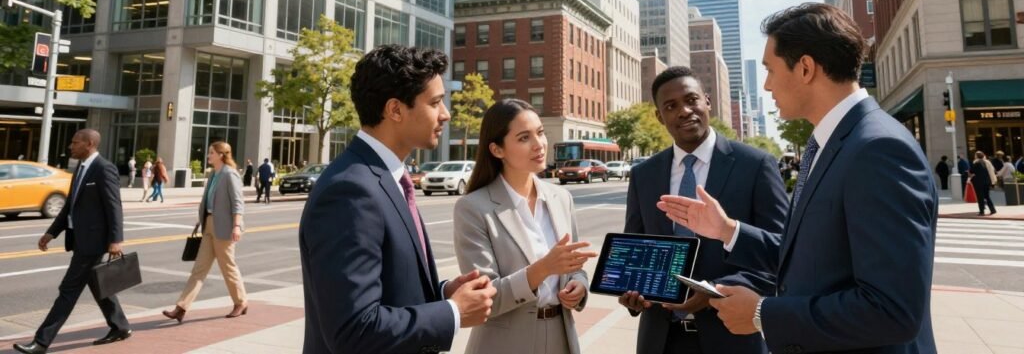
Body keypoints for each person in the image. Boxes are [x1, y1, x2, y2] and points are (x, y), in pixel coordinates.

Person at [659, 3, 937, 354]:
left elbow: (893, 310)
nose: (767, 84)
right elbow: (811, 256)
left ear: (805, 68)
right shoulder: (829, 143)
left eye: (770, 70)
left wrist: (762, 314)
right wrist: (728, 230)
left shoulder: (877, 149)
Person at [299, 45, 497, 354]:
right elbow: (354, 329)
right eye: (435, 102)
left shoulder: (385, 178)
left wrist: (444, 293)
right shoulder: (351, 191)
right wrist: (454, 312)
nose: (446, 114)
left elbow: (390, 289)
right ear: (395, 110)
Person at [621, 67, 789, 354]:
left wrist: (714, 290)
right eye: (671, 106)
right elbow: (636, 248)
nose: (684, 111)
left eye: (691, 99)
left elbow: (782, 253)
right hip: (661, 339)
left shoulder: (756, 165)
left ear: (707, 101)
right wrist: (632, 291)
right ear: (660, 117)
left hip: (732, 338)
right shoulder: (644, 174)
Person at [454, 99, 597, 354]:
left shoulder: (561, 198)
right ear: (497, 150)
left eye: (540, 133)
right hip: (504, 344)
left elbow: (574, 268)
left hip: (561, 337)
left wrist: (579, 286)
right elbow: (486, 297)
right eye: (523, 138)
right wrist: (542, 269)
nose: (539, 144)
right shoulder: (473, 208)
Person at [13, 129, 131, 354]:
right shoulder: (81, 167)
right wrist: (52, 232)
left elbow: (114, 207)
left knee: (68, 290)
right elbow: (70, 205)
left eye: (74, 142)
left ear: (89, 144)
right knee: (98, 286)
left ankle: (41, 342)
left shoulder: (104, 168)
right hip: (80, 239)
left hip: (93, 242)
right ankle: (120, 326)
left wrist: (116, 240)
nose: (70, 146)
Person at [163, 141, 248, 322]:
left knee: (228, 267)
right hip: (209, 223)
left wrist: (236, 226)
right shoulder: (213, 174)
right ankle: (181, 307)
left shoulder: (229, 174)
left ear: (221, 155)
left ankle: (240, 302)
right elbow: (210, 199)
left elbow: (238, 203)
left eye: (211, 152)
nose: (208, 155)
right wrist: (202, 218)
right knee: (199, 269)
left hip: (224, 227)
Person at [970, 150, 997, 216]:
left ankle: (981, 211)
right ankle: (993, 210)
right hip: (987, 181)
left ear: (976, 156)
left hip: (979, 183)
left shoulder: (976, 162)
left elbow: (971, 171)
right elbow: (992, 171)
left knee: (980, 197)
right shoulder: (987, 162)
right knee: (987, 196)